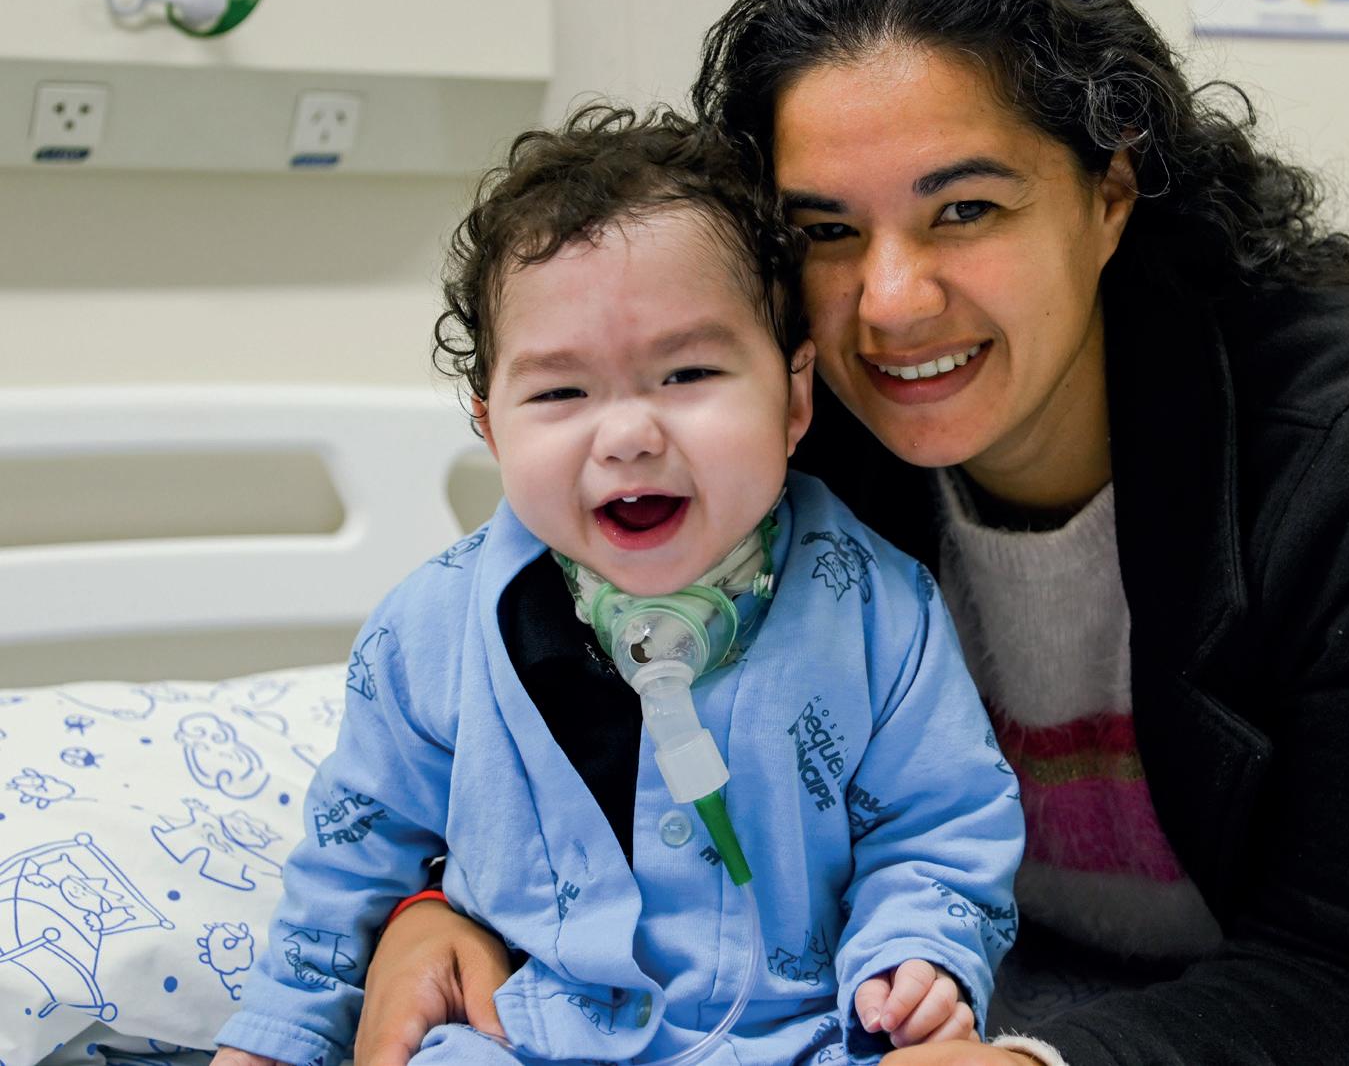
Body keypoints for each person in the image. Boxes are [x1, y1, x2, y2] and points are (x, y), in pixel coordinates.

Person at [356, 0, 1349, 1066]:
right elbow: (584, 721)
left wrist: (1033, 1060)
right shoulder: (785, 436)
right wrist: (436, 905)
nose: (889, 301)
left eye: (964, 209)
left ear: (1110, 190)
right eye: (825, 230)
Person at [209, 106, 1024, 1066]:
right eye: (561, 392)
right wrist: (277, 1039)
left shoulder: (879, 609)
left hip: (801, 1035)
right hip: (526, 1029)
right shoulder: (430, 632)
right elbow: (351, 861)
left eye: (688, 372)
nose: (629, 435)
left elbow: (940, 827)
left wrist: (916, 956)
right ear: (490, 425)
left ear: (794, 394)